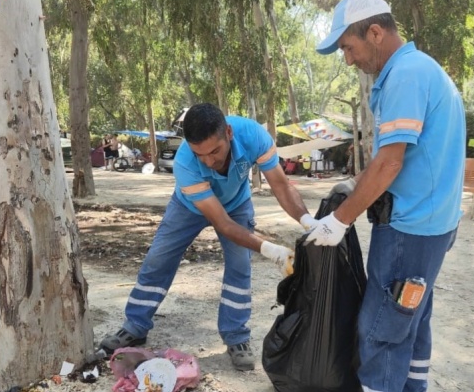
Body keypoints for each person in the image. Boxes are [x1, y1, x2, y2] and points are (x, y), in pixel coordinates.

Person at [308, 0, 465, 392]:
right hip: (434, 227)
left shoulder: (406, 76)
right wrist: (353, 185)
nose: (348, 59)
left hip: (409, 229)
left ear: (375, 32)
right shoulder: (422, 69)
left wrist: (339, 222)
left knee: (380, 330)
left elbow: (391, 163)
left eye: (348, 47)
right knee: (410, 321)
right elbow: (400, 158)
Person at [99, 103, 316, 371]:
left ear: (228, 132)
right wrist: (271, 250)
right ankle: (135, 326)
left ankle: (236, 337)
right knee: (158, 260)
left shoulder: (253, 136)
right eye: (200, 154)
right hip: (188, 207)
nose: (209, 162)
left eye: (215, 151)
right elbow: (222, 224)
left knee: (239, 267)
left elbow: (281, 186)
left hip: (237, 204)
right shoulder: (185, 164)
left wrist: (308, 222)